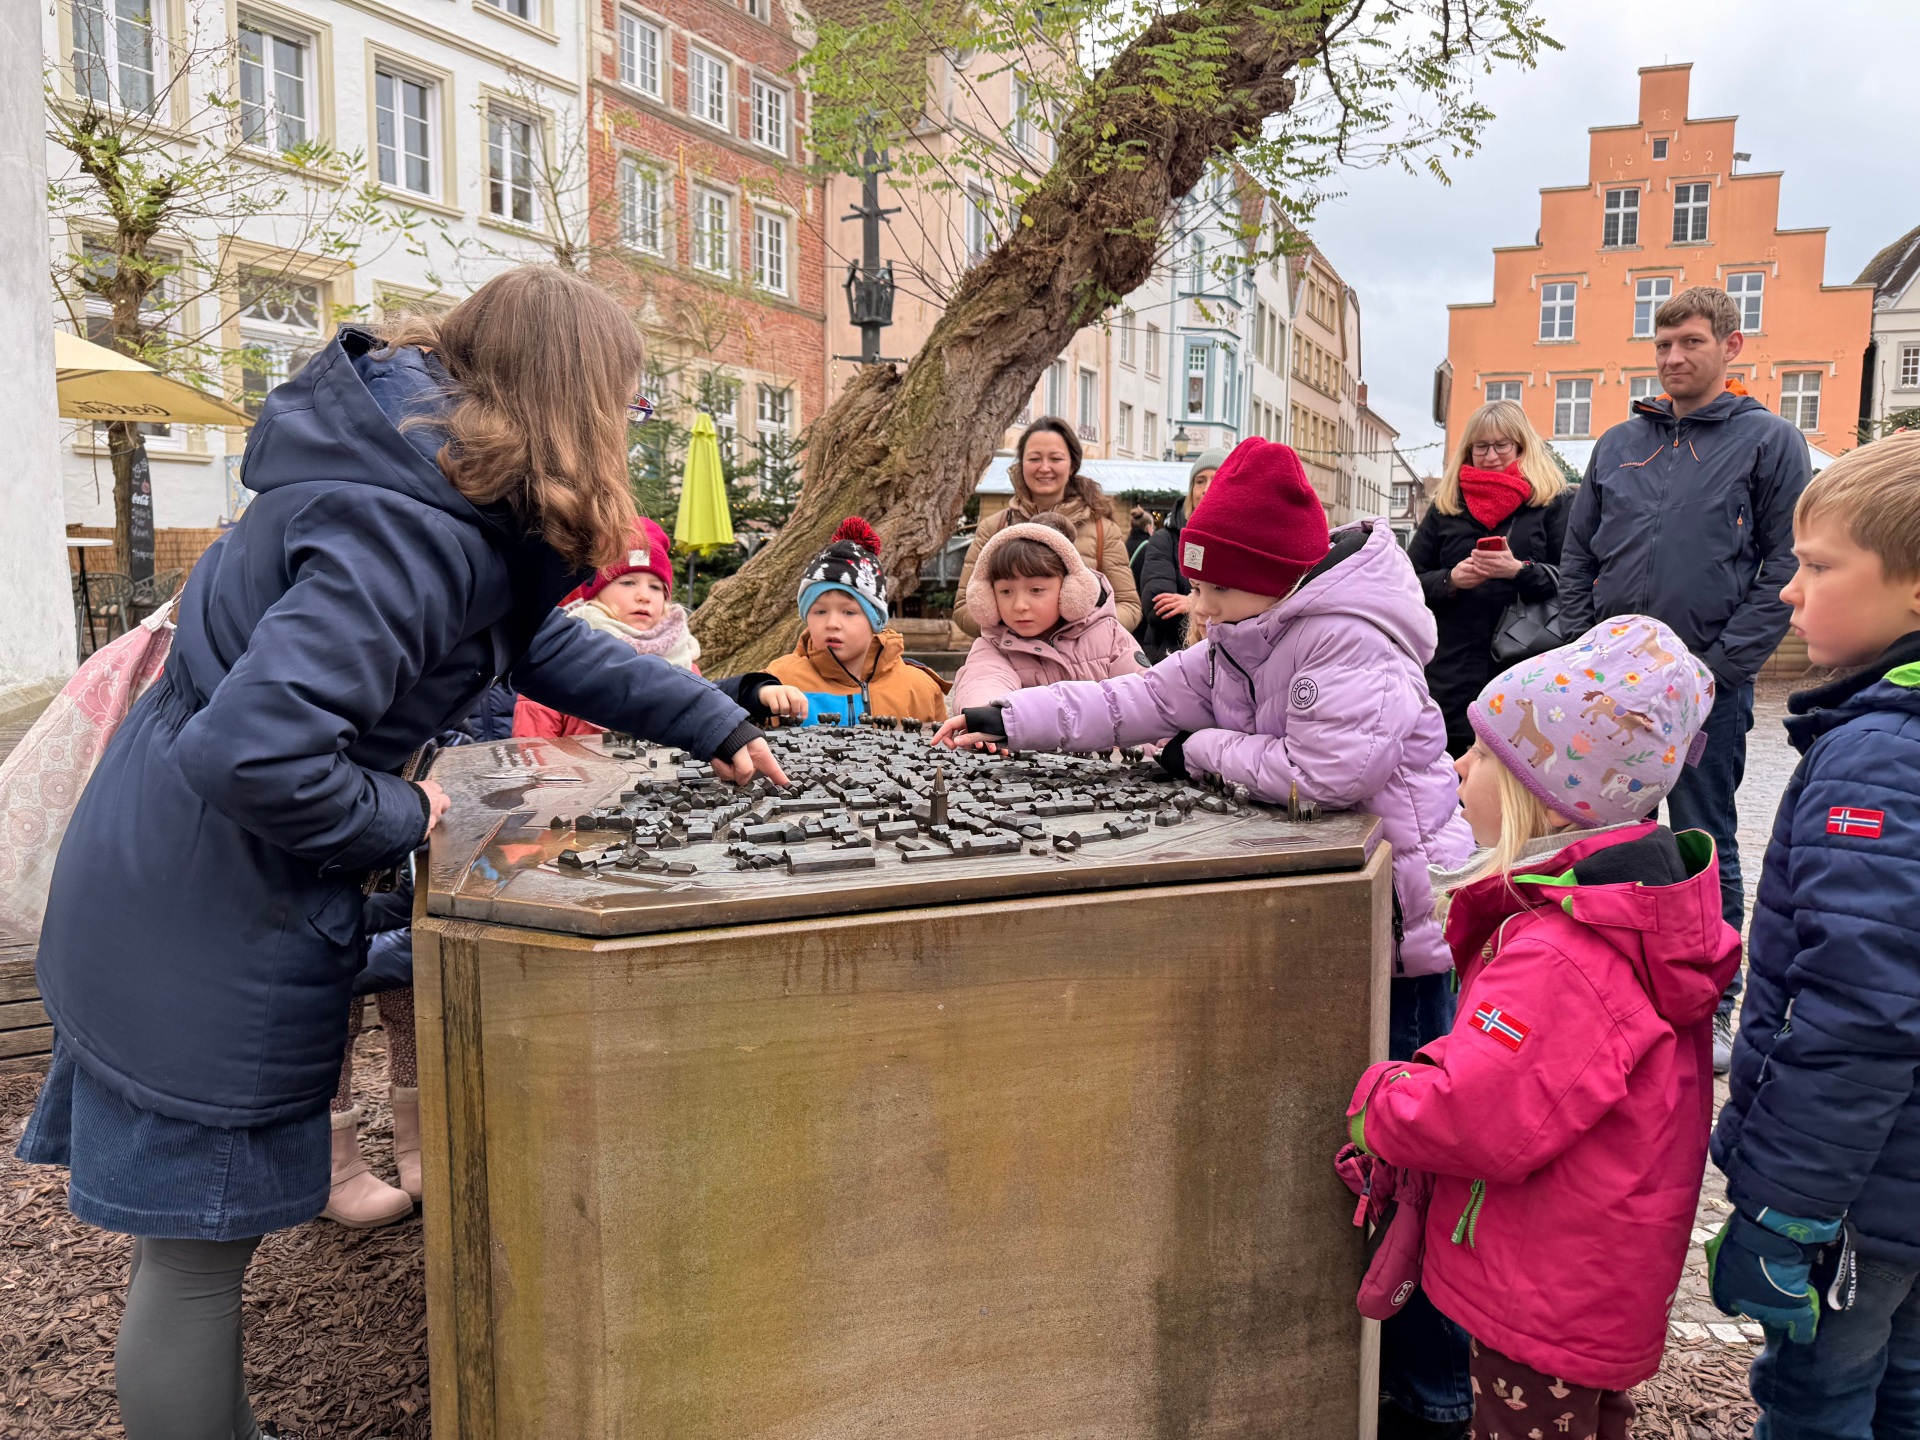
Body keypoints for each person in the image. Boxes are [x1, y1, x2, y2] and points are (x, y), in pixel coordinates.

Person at [15, 266, 787, 1440]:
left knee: (200, 1250)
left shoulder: (424, 490)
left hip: (183, 886)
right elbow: (255, 756)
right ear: (574, 393)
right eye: (622, 400)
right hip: (200, 910)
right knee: (194, 1260)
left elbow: (528, 645)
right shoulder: (403, 530)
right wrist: (407, 815)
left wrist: (709, 718)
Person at [934, 436, 1478, 1438]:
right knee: (1354, 1160)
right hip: (1334, 925)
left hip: (1404, 939)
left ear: (1276, 578)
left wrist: (1198, 752)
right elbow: (1129, 700)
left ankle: (1433, 1393)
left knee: (1414, 1174)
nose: (1203, 605)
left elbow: (1325, 774)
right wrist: (1012, 719)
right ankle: (1345, 1359)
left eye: (1220, 587)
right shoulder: (1248, 633)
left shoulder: (1348, 638)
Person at [1345, 616, 1735, 1440]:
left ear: (1551, 801)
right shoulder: (1626, 913)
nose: (1459, 765)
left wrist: (1380, 1099)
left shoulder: (1560, 951)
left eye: (1484, 754)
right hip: (1599, 1272)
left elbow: (1477, 1112)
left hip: (1544, 1286)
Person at [1705, 434, 1920, 1435]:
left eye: (1819, 565)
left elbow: (1858, 1010)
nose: (1791, 592)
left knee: (1819, 1401)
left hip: (1856, 1197)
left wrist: (1786, 1207)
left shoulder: (1878, 758)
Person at [1557, 284, 1811, 1071]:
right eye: (1663, 344)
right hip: (1608, 691)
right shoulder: (1616, 444)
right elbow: (1578, 555)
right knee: (1593, 835)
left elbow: (1785, 563)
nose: (1673, 358)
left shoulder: (1769, 442)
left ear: (1731, 347)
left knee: (1703, 839)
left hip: (1705, 694)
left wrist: (1720, 666)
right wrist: (1578, 649)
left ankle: (1718, 1001)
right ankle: (1592, 988)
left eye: (1691, 342)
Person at [514, 515, 807, 737]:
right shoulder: (563, 654)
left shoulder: (681, 657)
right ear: (596, 591)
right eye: (627, 582)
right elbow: (533, 746)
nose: (643, 595)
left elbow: (698, 713)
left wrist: (751, 695)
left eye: (656, 587)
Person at [1407, 400, 1572, 757]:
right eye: (1481, 446)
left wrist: (1520, 571)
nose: (1491, 455)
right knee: (1451, 776)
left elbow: (1573, 580)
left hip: (1526, 670)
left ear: (1521, 447)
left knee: (1518, 774)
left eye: (1502, 445)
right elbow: (1406, 580)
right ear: (1468, 450)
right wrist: (1451, 580)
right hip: (1452, 670)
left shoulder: (1551, 502)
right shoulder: (1447, 505)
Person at [954, 418, 1141, 637]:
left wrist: (1084, 635)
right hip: (1010, 662)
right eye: (1034, 458)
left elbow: (1129, 605)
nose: (1044, 468)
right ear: (1021, 464)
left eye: (1055, 458)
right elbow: (963, 607)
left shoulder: (1103, 530)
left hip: (1080, 666)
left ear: (1072, 465)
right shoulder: (995, 528)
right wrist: (1014, 630)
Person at [949, 512, 1148, 709]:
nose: (1019, 605)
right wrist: (986, 717)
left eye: (1036, 590)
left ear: (1070, 591)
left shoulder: (1109, 635)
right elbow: (983, 682)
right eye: (1006, 591)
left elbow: (1148, 697)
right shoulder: (993, 647)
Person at [765, 517, 950, 725]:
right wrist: (758, 693)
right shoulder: (778, 680)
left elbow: (942, 749)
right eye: (820, 612)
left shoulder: (920, 687)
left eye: (848, 612)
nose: (832, 623)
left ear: (875, 621)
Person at [1137, 448, 1226, 662]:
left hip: (1224, 660)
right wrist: (1212, 608)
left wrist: (1190, 602)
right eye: (1200, 481)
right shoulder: (1165, 540)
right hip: (1169, 660)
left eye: (1216, 479)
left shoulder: (1239, 542)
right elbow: (1159, 610)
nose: (1206, 489)